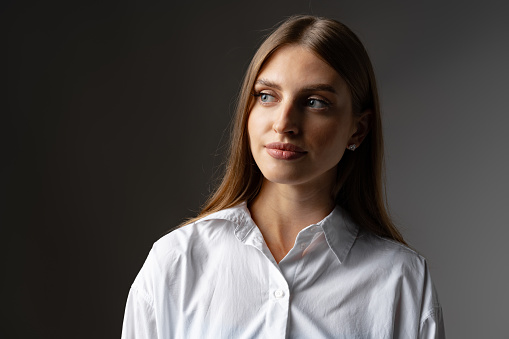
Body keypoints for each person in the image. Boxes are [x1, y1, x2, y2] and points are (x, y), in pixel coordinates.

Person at [121, 15, 445, 338]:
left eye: (315, 102)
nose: (283, 123)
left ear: (357, 129)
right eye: (267, 96)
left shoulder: (402, 281)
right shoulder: (177, 262)